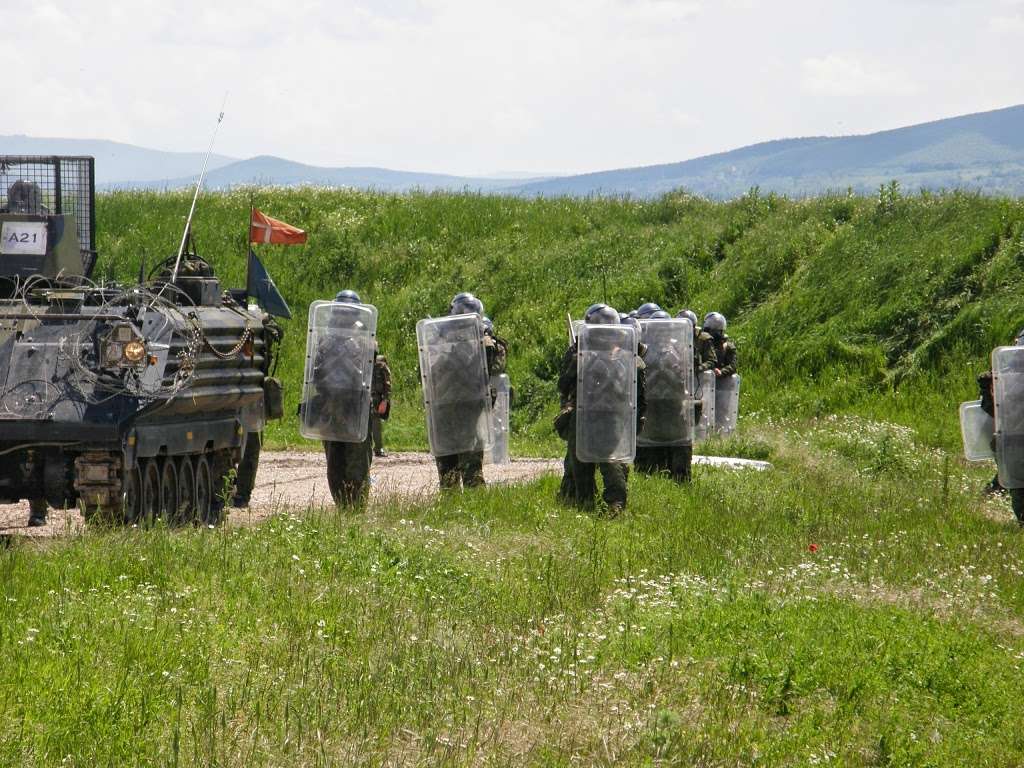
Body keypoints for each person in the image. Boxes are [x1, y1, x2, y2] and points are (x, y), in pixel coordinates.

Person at [556, 303, 646, 515]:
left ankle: (615, 505)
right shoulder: (577, 353)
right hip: (583, 413)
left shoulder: (628, 355)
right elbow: (563, 385)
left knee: (612, 462)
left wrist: (637, 418)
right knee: (578, 462)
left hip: (613, 415)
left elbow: (638, 393)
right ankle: (582, 502)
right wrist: (577, 361)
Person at [310, 289, 391, 507]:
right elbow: (315, 376)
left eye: (347, 313)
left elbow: (364, 375)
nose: (343, 317)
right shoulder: (325, 342)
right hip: (331, 412)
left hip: (357, 411)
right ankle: (343, 510)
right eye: (340, 313)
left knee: (357, 468)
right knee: (334, 468)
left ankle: (356, 511)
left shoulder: (366, 342)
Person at [433, 292, 508, 490]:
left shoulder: (486, 342)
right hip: (444, 405)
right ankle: (449, 507)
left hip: (470, 407)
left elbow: (497, 367)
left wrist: (486, 343)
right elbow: (431, 372)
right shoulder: (441, 340)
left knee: (472, 468)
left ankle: (474, 507)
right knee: (447, 469)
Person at [699, 312, 737, 378]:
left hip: (720, 383)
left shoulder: (727, 346)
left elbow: (732, 366)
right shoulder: (701, 342)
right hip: (701, 380)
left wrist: (721, 371)